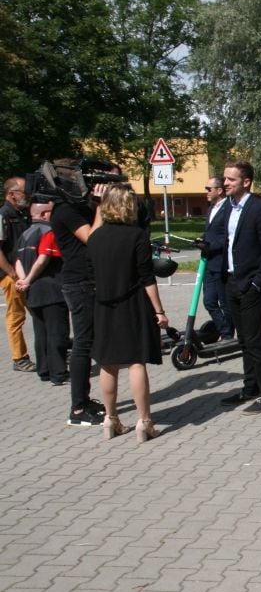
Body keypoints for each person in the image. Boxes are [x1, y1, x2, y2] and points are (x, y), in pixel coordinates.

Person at [87, 183, 168, 442]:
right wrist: (159, 311)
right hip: (132, 304)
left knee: (107, 362)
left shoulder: (95, 237)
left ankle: (110, 418)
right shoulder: (137, 236)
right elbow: (147, 278)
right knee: (136, 361)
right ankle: (144, 421)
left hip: (103, 304)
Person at [214, 160, 261, 414]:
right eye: (225, 178)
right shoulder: (228, 207)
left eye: (231, 179)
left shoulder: (259, 209)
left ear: (246, 182)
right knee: (243, 340)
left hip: (253, 285)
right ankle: (250, 388)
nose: (225, 183)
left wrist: (256, 283)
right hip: (232, 280)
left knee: (254, 340)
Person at [49, 161, 105, 426]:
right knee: (83, 344)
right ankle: (78, 409)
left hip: (88, 280)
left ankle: (85, 399)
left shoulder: (78, 207)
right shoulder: (65, 210)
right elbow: (93, 238)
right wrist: (101, 206)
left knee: (89, 343)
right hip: (79, 282)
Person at [14, 202, 70, 385]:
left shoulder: (25, 234)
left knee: (41, 332)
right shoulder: (48, 232)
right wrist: (29, 279)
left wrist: (24, 280)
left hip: (33, 292)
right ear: (45, 214)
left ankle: (44, 370)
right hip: (51, 288)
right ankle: (58, 372)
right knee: (57, 332)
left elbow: (17, 260)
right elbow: (43, 258)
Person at [0, 176, 34, 372]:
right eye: (24, 192)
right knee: (16, 316)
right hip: (12, 276)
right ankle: (19, 357)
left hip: (27, 274)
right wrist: (12, 274)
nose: (27, 195)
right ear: (12, 194)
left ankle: (53, 350)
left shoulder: (23, 213)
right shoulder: (3, 215)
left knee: (38, 311)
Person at [202, 176, 233, 340]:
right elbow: (211, 232)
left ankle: (228, 335)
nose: (206, 192)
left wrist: (211, 246)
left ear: (219, 190)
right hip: (208, 262)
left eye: (209, 189)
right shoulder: (211, 208)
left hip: (221, 263)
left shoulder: (228, 208)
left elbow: (227, 236)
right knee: (209, 301)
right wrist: (202, 241)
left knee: (225, 302)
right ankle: (224, 330)